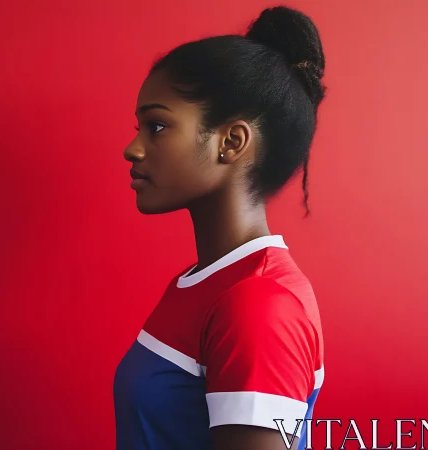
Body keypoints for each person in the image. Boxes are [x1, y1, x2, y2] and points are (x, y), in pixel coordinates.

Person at [113, 5, 327, 450]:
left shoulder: (258, 303)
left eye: (157, 126)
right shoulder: (205, 283)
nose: (132, 150)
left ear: (231, 142)